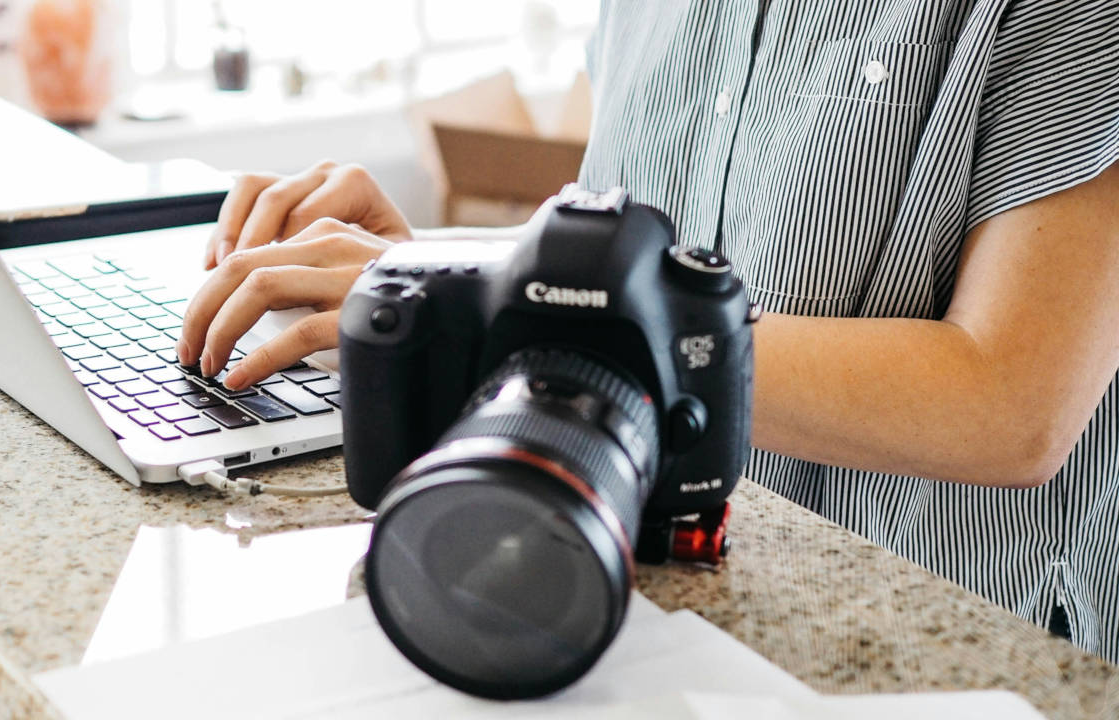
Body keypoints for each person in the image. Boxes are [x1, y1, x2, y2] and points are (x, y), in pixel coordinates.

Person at [177, 1, 1119, 661]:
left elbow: (1012, 400)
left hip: (947, 642)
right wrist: (446, 269)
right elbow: (626, 262)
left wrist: (494, 297)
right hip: (661, 590)